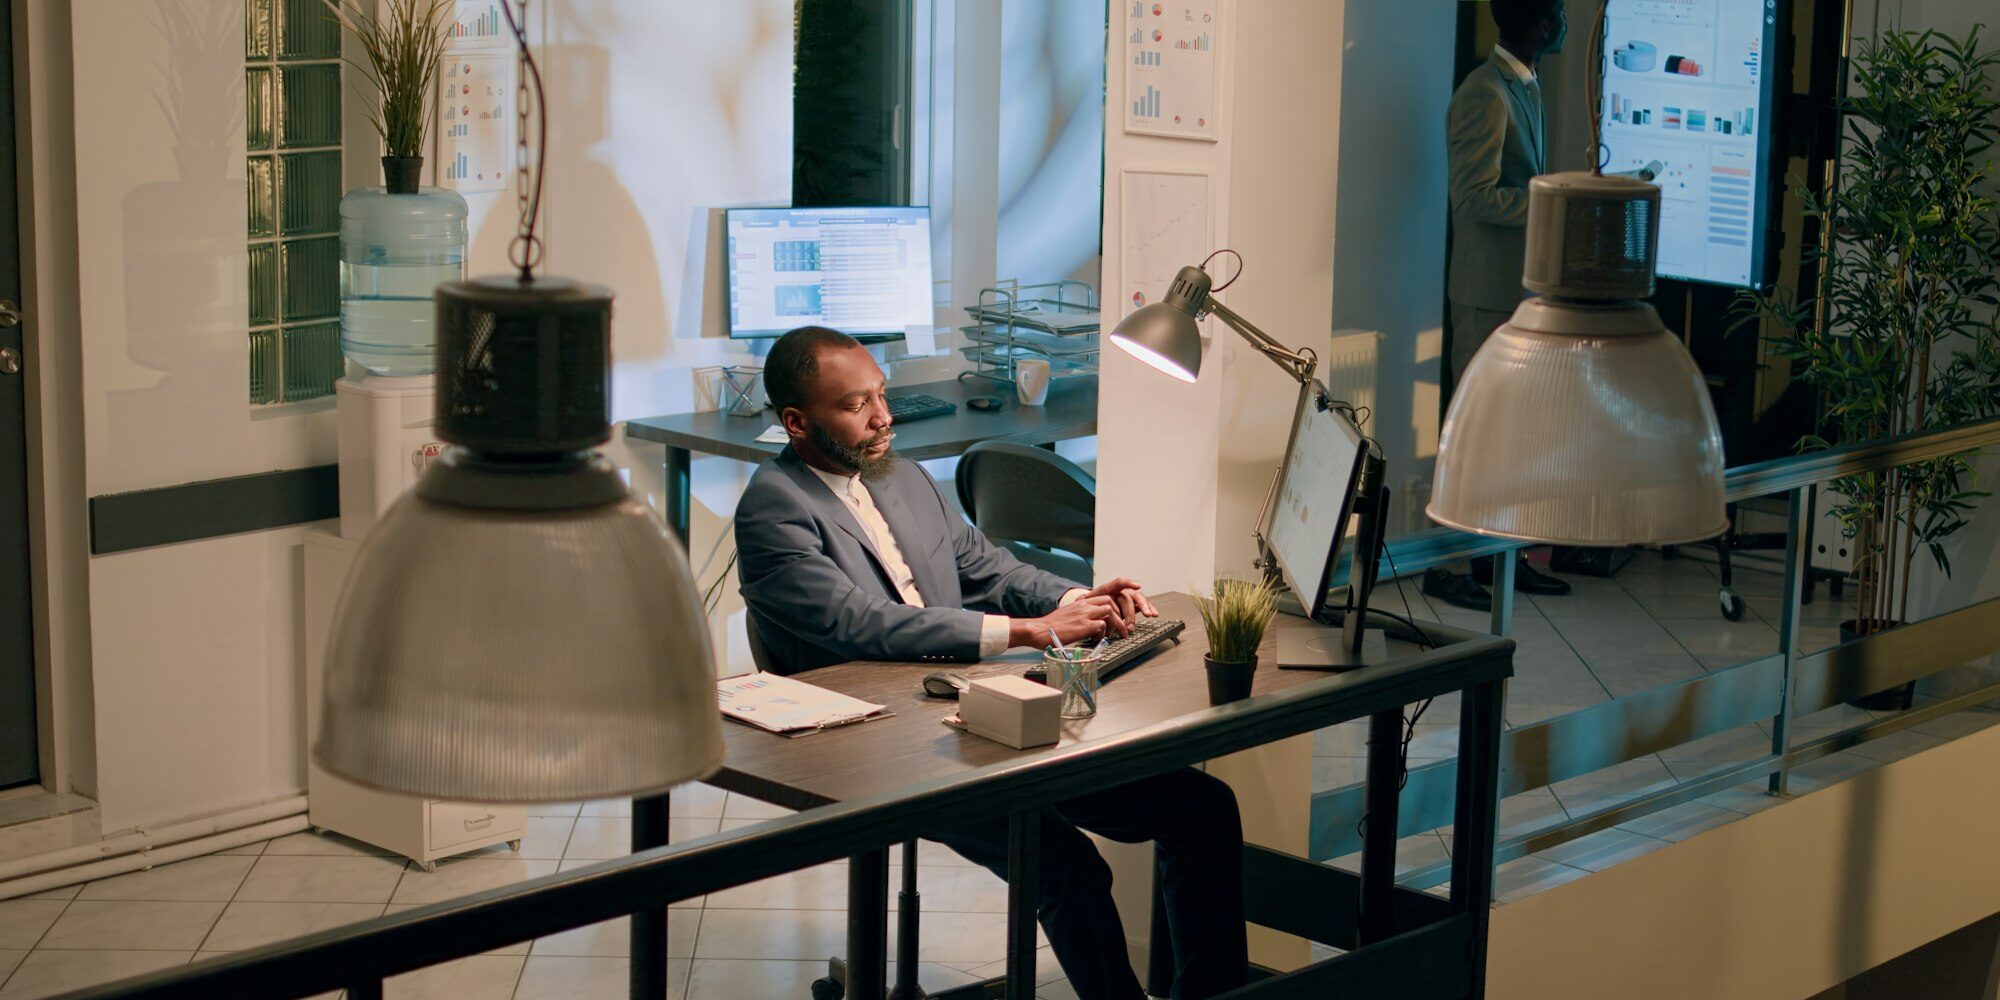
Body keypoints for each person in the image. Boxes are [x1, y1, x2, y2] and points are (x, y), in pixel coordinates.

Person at [734, 326, 1247, 1000]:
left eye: (882, 396)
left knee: (1202, 808)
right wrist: (1034, 632)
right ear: (797, 423)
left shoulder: (901, 476)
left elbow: (984, 568)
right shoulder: (772, 509)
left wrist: (1076, 599)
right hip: (886, 748)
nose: (884, 418)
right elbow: (860, 624)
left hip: (976, 713)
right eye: (856, 406)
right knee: (1064, 864)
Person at [1426, 0, 1573, 612]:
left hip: (1514, 296)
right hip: (1486, 298)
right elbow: (1475, 200)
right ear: (1540, 25)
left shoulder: (1523, 85)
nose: (1563, 22)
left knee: (1511, 436)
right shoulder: (1484, 93)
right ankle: (1447, 565)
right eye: (1559, 12)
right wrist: (1551, 201)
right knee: (1474, 435)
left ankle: (1502, 560)